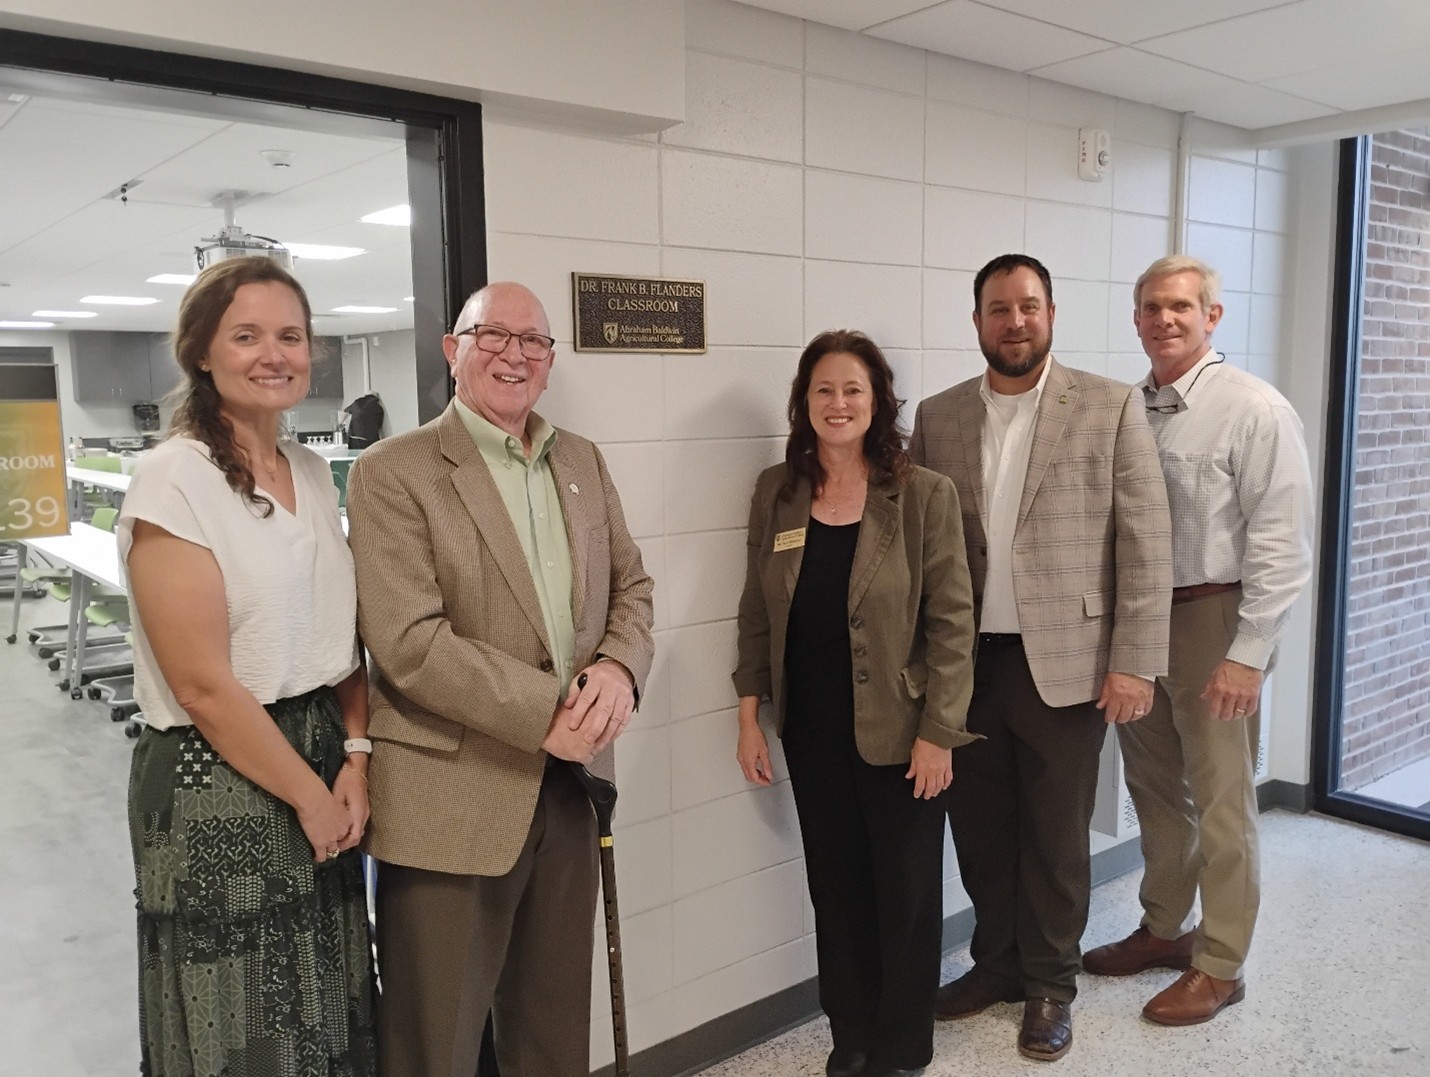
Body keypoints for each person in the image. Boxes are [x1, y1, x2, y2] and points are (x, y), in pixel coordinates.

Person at [346, 281, 655, 1076]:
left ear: (550, 363)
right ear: (454, 350)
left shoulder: (580, 458)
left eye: (533, 342)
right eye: (493, 335)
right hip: (453, 796)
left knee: (551, 1031)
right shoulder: (393, 473)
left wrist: (619, 666)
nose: (514, 354)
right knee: (435, 1040)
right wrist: (544, 712)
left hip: (571, 786)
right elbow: (408, 641)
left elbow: (633, 587)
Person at [908, 253, 1173, 1062]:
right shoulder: (940, 414)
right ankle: (997, 964)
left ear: (1050, 314)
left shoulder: (1108, 404)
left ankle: (1051, 984)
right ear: (978, 320)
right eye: (998, 308)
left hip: (1068, 663)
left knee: (1056, 835)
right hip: (967, 667)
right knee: (980, 830)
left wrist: (1134, 662)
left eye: (1028, 306)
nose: (1014, 321)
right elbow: (921, 548)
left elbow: (1146, 542)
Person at [119, 257, 376, 1076]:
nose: (275, 353)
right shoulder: (173, 479)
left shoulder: (306, 467)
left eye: (291, 335)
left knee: (325, 1005)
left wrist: (357, 758)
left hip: (321, 753)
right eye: (247, 334)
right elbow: (201, 683)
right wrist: (309, 793)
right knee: (246, 1027)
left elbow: (341, 636)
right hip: (215, 777)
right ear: (201, 352)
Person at [733, 330, 977, 1077]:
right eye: (824, 391)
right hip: (811, 727)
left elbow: (951, 621)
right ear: (804, 403)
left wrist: (939, 731)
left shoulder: (922, 494)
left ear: (878, 402)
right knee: (834, 889)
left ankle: (901, 1047)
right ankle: (853, 1034)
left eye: (853, 390)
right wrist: (750, 711)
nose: (838, 404)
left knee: (902, 895)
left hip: (903, 732)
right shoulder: (780, 490)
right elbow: (755, 610)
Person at [1083, 256, 1314, 1025]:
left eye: (1181, 306)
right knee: (1154, 791)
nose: (1163, 319)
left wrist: (1248, 653)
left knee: (1221, 799)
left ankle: (1221, 962)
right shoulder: (1128, 408)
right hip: (1140, 624)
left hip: (1216, 620)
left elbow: (1283, 542)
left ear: (1213, 316)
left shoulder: (1254, 409)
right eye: (1150, 306)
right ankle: (1164, 928)